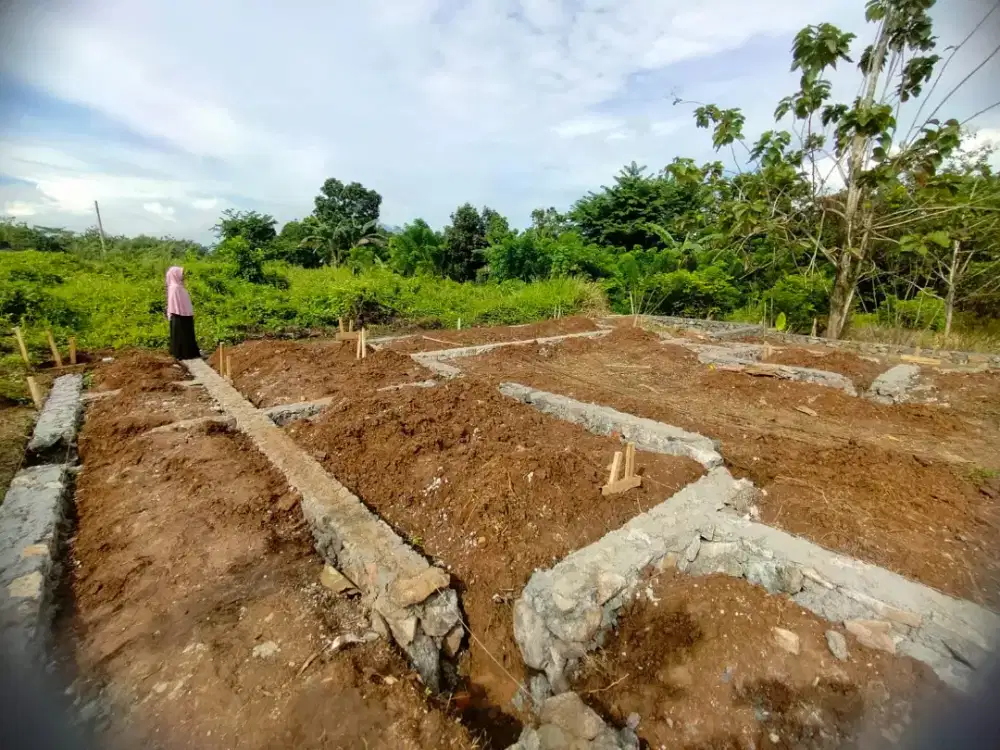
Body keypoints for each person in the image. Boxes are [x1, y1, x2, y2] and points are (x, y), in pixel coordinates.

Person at [165, 266, 200, 359]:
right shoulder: (175, 288)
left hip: (184, 315)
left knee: (185, 336)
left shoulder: (179, 286)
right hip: (179, 316)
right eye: (181, 273)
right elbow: (175, 304)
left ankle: (187, 353)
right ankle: (183, 354)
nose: (183, 275)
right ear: (175, 275)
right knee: (181, 336)